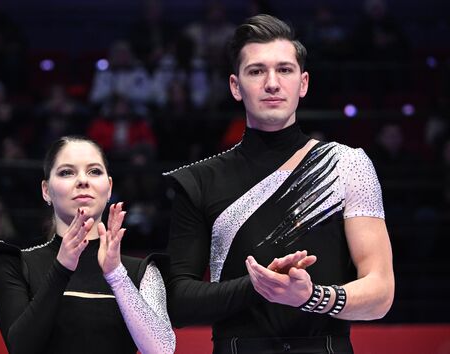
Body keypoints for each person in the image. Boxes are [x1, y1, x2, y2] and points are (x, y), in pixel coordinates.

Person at [164, 14, 394, 353]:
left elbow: (381, 293)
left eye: (284, 70)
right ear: (235, 86)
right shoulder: (198, 180)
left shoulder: (347, 164)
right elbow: (179, 303)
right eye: (256, 71)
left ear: (303, 84)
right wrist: (259, 286)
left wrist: (311, 296)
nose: (272, 83)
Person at [0, 136, 175, 354]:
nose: (83, 180)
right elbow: (20, 348)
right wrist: (61, 269)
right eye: (67, 172)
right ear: (46, 190)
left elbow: (163, 349)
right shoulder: (15, 264)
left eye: (94, 171)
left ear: (109, 186)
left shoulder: (141, 272)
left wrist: (116, 275)